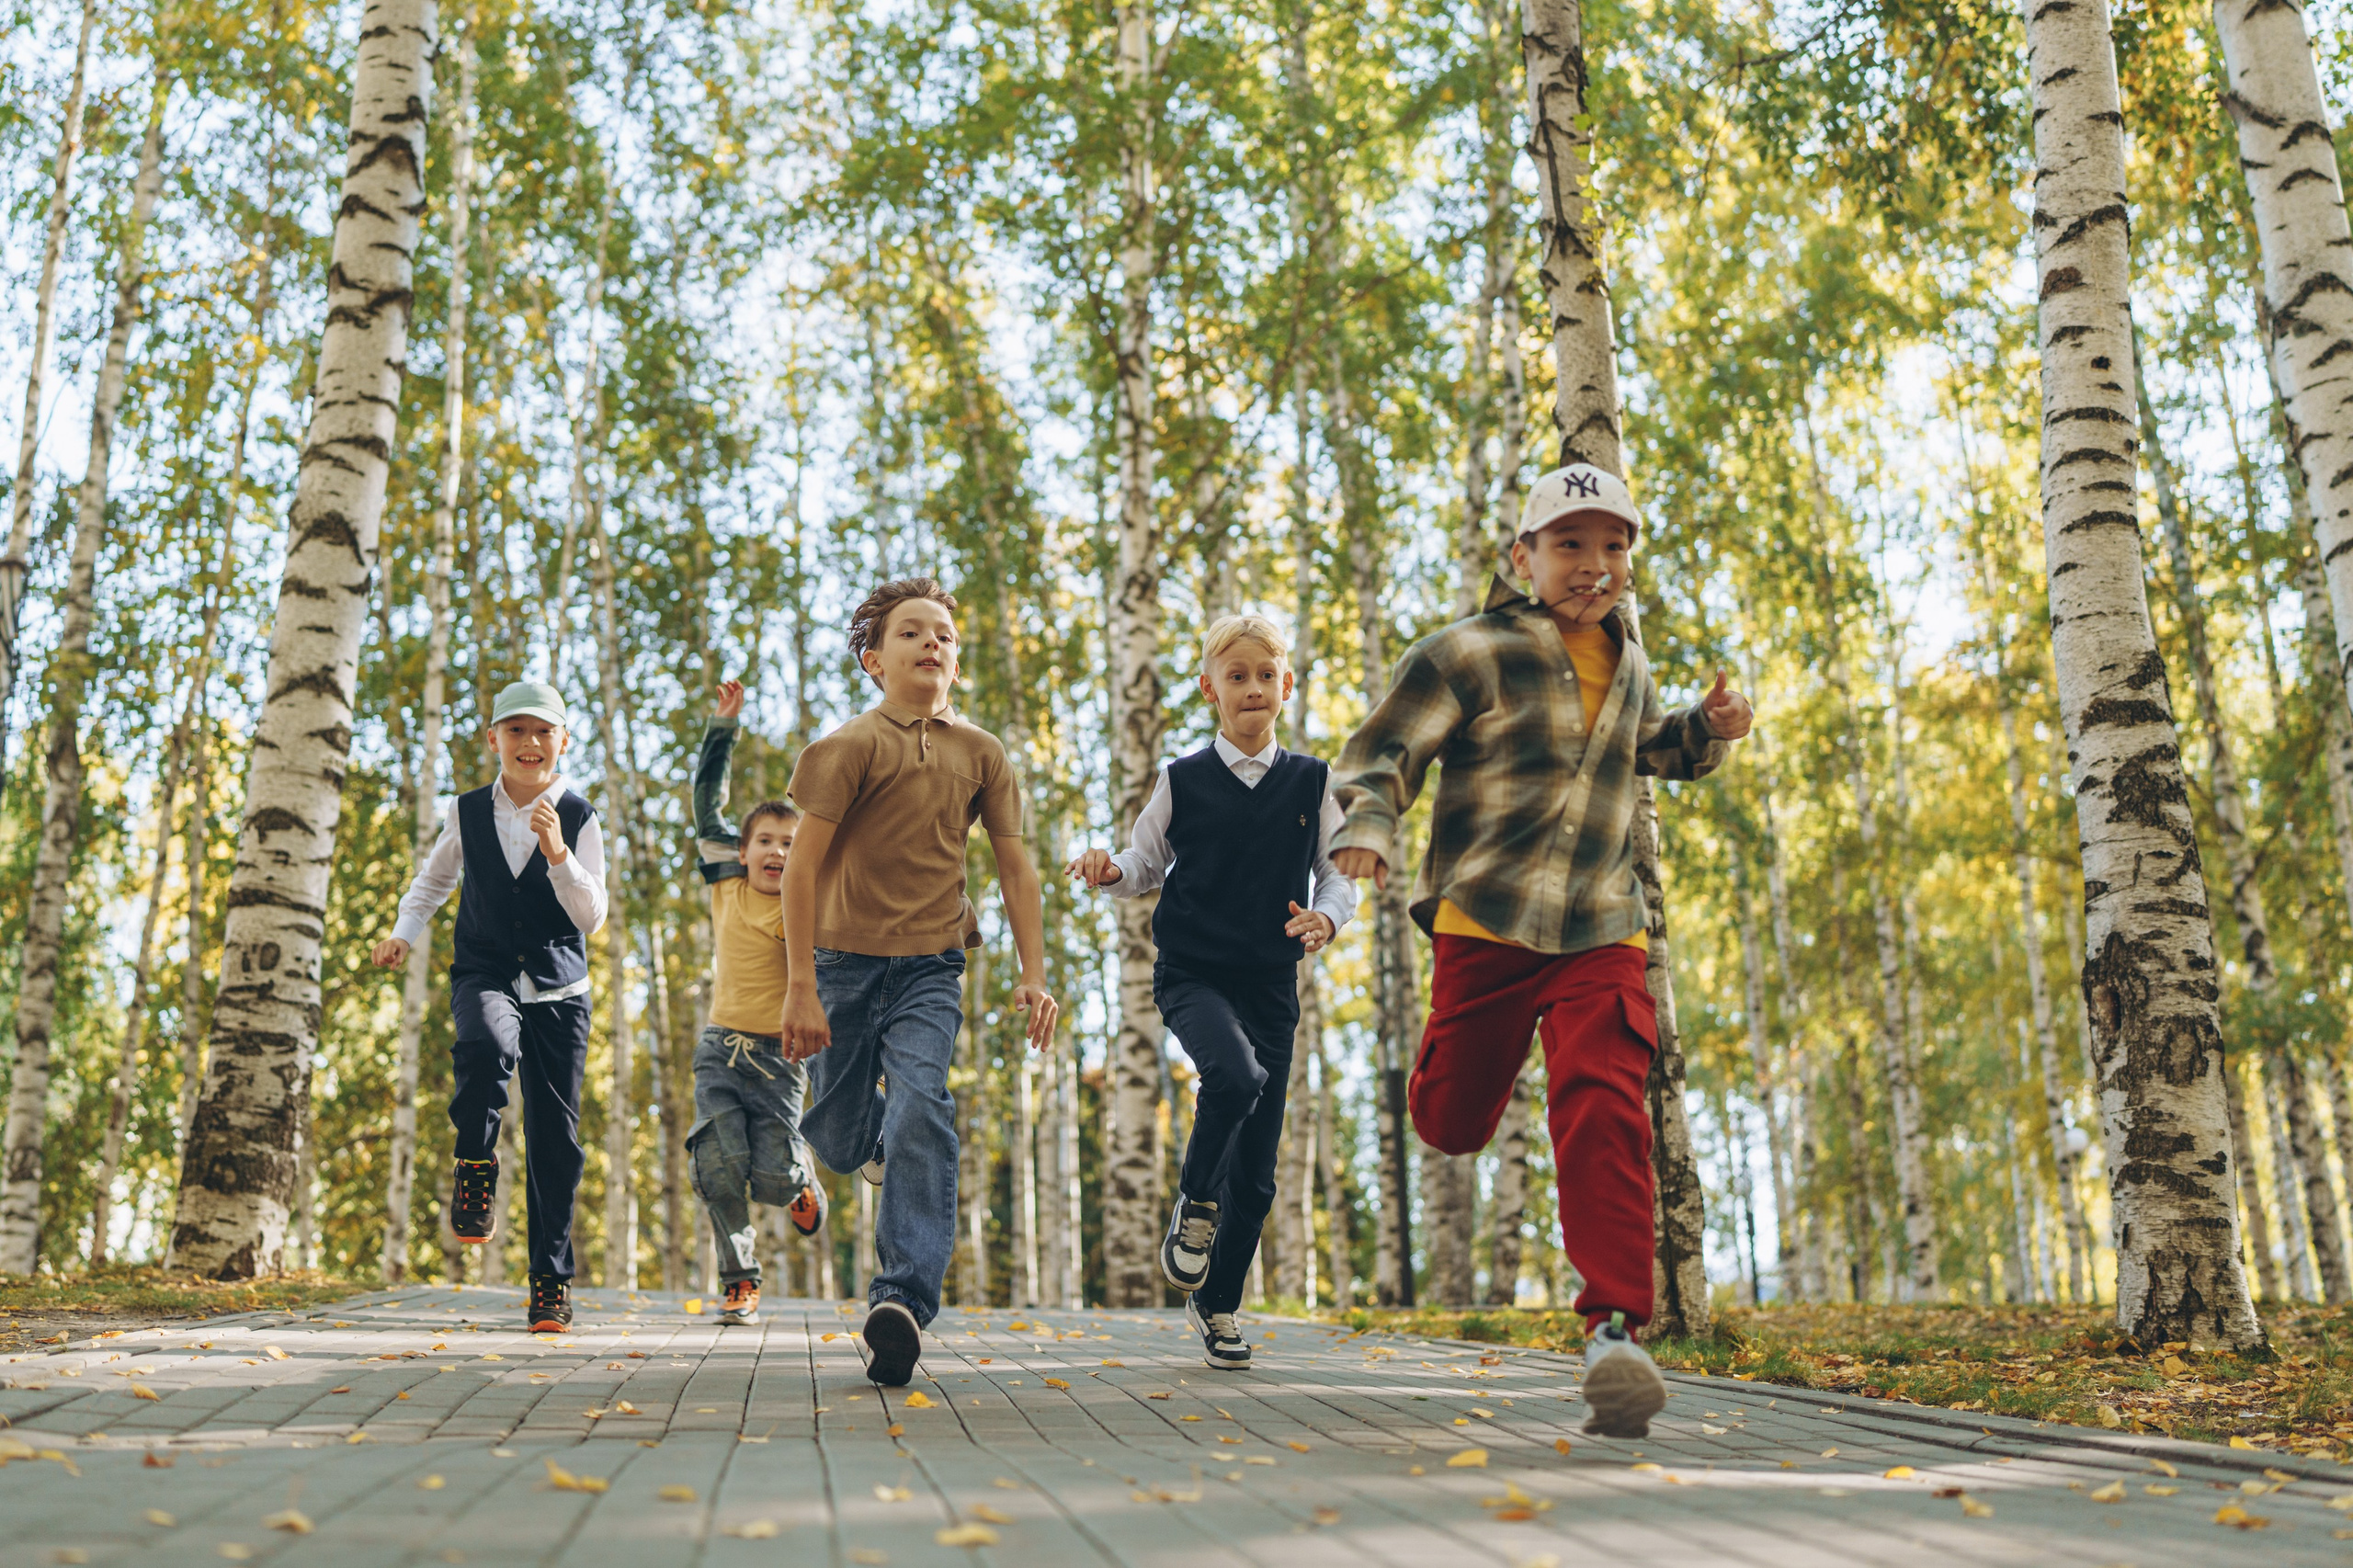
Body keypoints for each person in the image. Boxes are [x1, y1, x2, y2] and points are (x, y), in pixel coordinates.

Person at [1329, 463, 1752, 1437]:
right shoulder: (1465, 652)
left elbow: (1644, 746)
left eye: (1612, 548)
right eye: (1569, 545)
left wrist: (1709, 730)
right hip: (1485, 921)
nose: (1593, 567)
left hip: (1600, 922)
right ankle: (1443, 1080)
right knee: (1450, 1121)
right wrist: (1371, 829)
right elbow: (1381, 756)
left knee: (1603, 1101)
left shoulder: (1630, 658)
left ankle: (1613, 1329)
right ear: (1522, 557)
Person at [780, 577, 1058, 1386]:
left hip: (933, 963)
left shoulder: (982, 754)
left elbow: (1016, 869)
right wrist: (800, 984)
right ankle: (867, 1144)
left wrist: (1032, 974)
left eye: (943, 633)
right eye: (911, 633)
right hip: (840, 963)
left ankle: (900, 1300)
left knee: (923, 1104)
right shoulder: (846, 749)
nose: (932, 642)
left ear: (956, 662)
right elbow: (800, 871)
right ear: (874, 661)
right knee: (831, 1136)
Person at [1067, 613, 1355, 1371]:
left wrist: (1326, 916)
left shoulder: (1311, 782)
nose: (1253, 688)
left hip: (1270, 985)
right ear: (1210, 690)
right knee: (1233, 1076)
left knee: (1257, 1173)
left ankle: (1217, 1303)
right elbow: (1144, 862)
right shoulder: (1182, 779)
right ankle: (1195, 1204)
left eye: (1266, 675)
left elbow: (1339, 872)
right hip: (1192, 972)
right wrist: (1108, 872)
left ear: (1286, 686)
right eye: (1237, 677)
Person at [372, 680, 608, 1334]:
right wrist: (402, 931)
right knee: (481, 1045)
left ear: (563, 742)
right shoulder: (467, 811)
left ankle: (550, 1287)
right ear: (494, 740)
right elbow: (435, 879)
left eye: (542, 732)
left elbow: (592, 917)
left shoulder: (582, 817)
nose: (529, 743)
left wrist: (558, 853)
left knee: (555, 1144)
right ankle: (476, 1158)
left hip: (561, 992)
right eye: (516, 731)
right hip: (486, 970)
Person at [688, 678, 829, 1327]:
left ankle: (801, 1183)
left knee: (769, 1176)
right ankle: (739, 1277)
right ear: (742, 852)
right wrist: (722, 729)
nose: (778, 851)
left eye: (792, 844)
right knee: (721, 1165)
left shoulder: (811, 909)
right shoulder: (726, 884)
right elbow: (704, 805)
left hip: (781, 1059)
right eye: (767, 841)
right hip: (720, 1049)